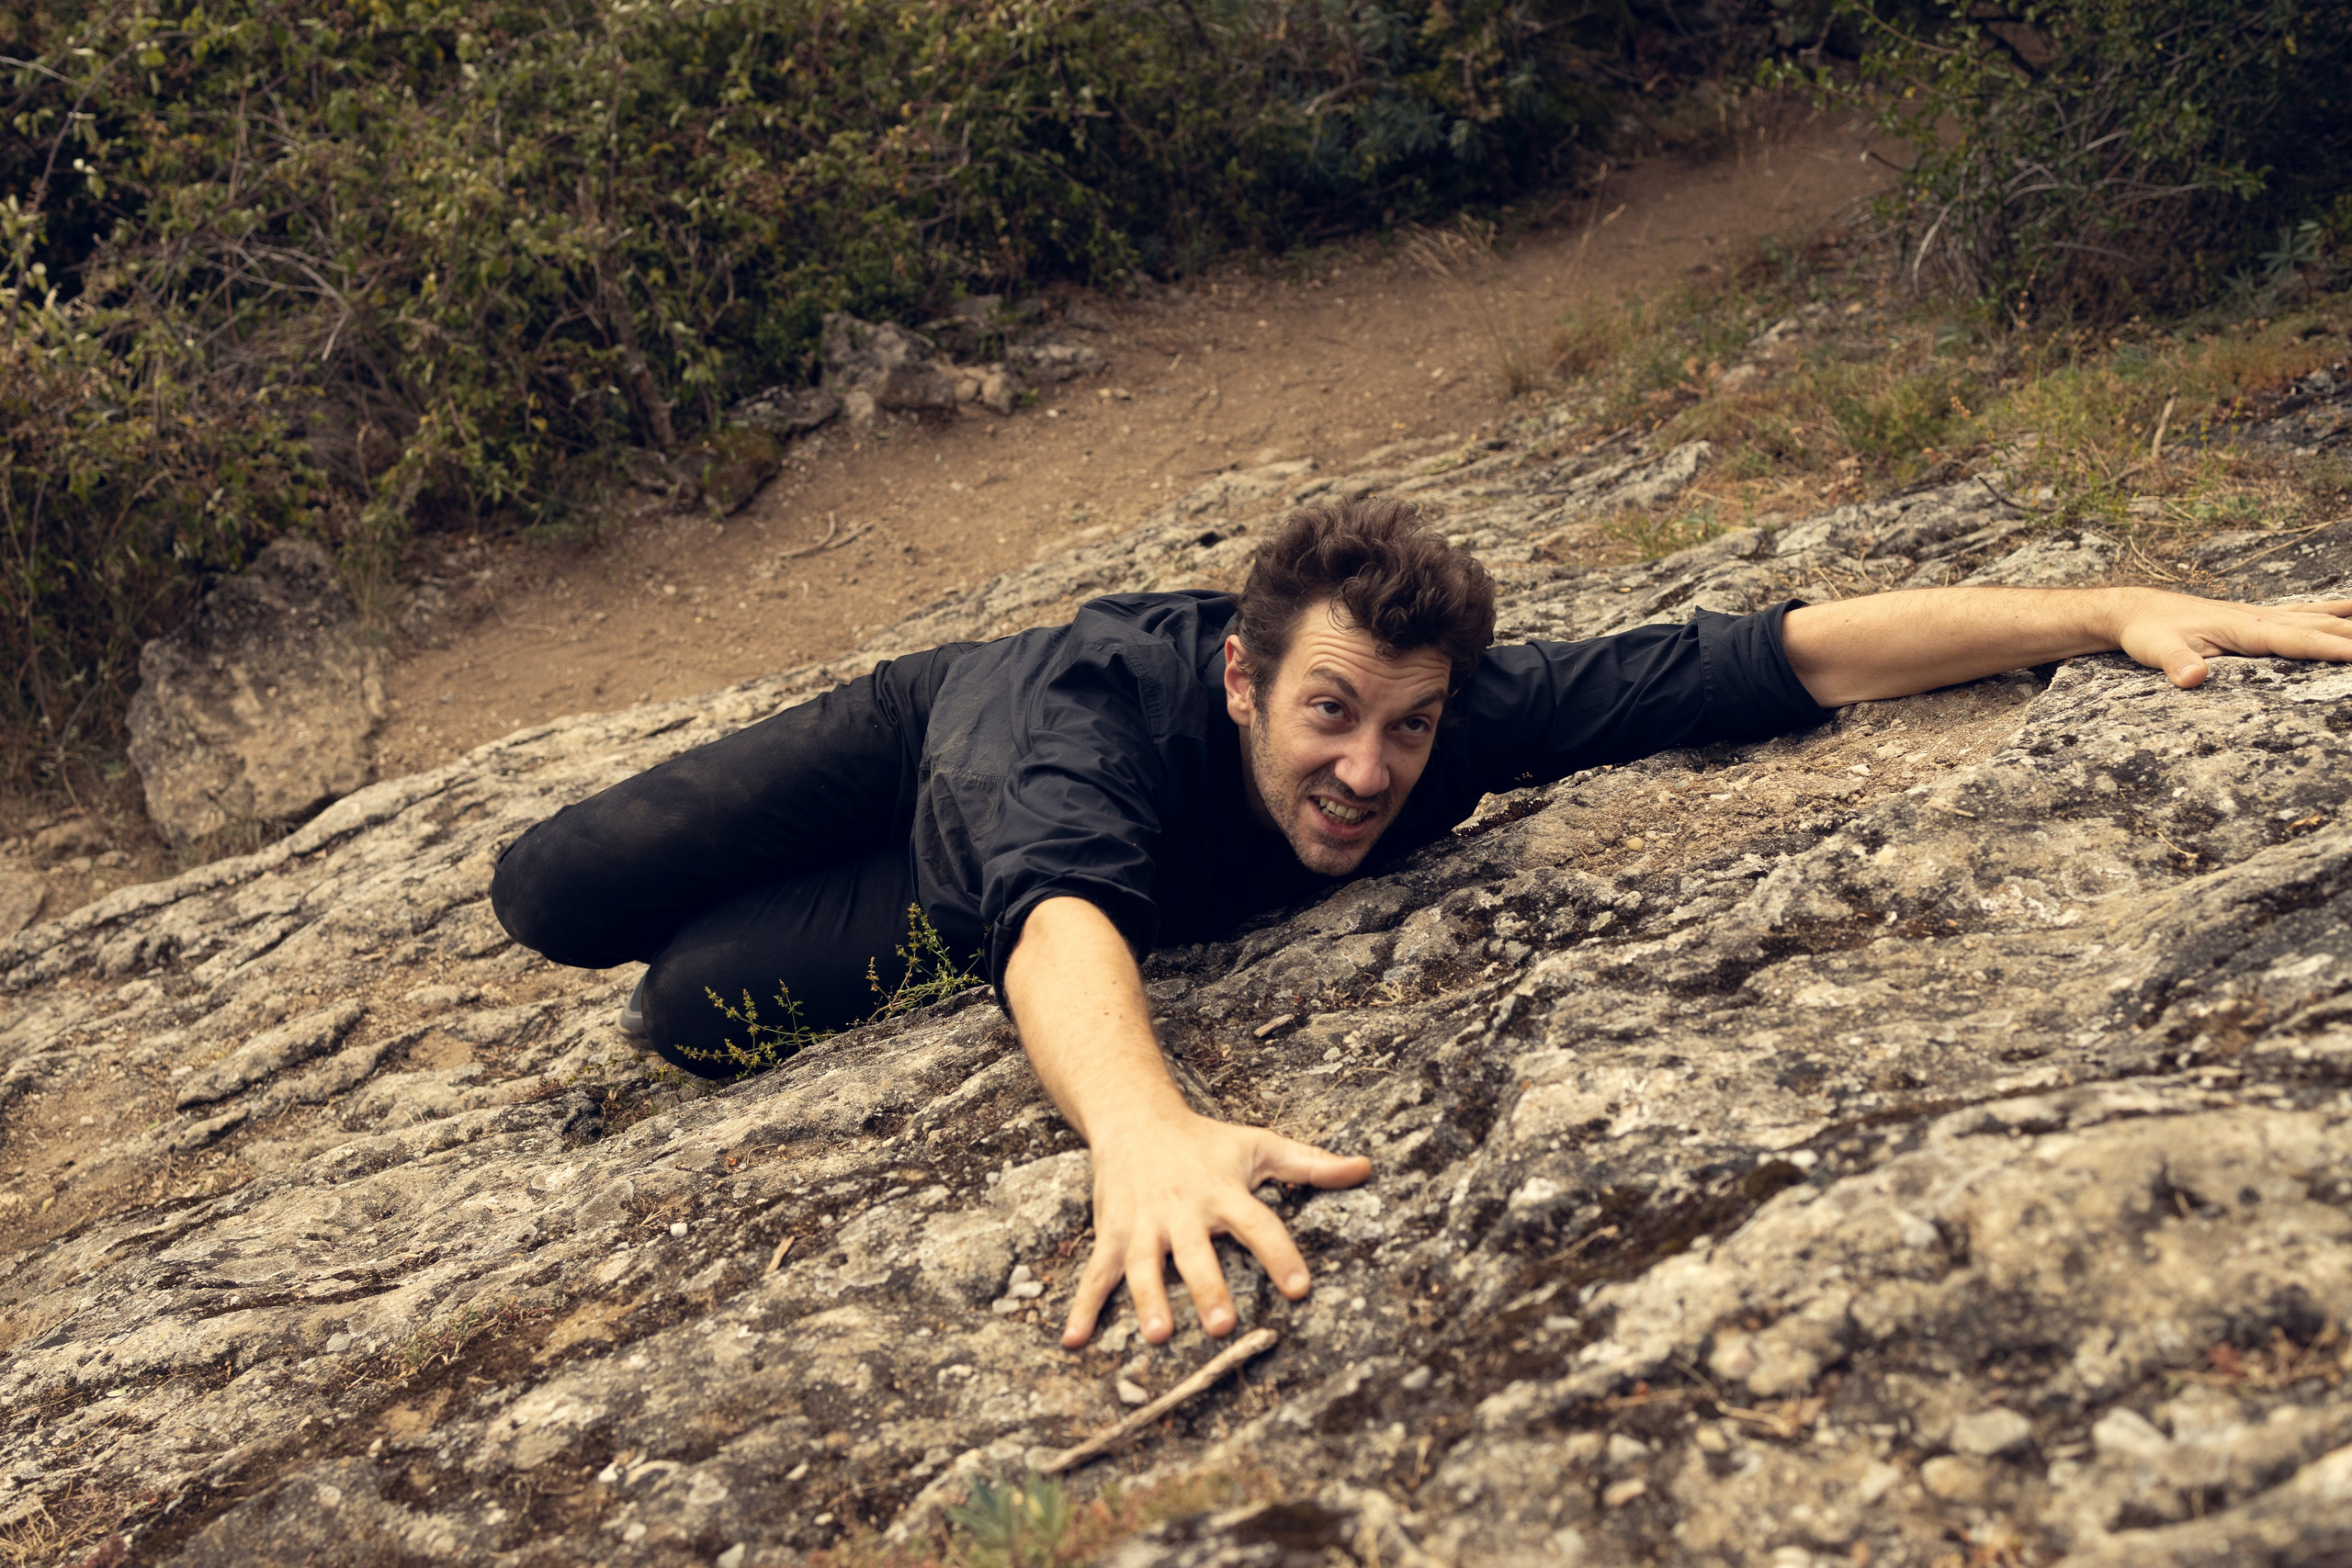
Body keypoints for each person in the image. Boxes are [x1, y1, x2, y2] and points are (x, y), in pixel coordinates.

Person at [492, 498, 2352, 1348]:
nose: (1370, 770)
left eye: (1404, 725)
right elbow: (1056, 911)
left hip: (997, 844)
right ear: (1241, 678)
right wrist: (1142, 1131)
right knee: (560, 897)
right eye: (1326, 715)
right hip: (946, 732)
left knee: (693, 1009)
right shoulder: (1091, 727)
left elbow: (1770, 656)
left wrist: (2091, 605)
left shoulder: (1451, 720)